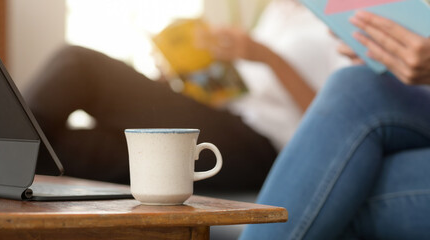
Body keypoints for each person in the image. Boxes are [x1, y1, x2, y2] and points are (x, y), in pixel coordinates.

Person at [24, 0, 349, 191]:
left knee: (78, 64)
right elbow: (250, 90)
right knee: (64, 147)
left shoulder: (345, 19)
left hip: (268, 147)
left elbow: (339, 123)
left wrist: (267, 56)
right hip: (230, 119)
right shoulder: (281, 9)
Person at [240, 11, 430, 239]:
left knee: (332, 200)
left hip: (264, 132)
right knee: (356, 85)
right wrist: (386, 55)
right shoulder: (274, 14)